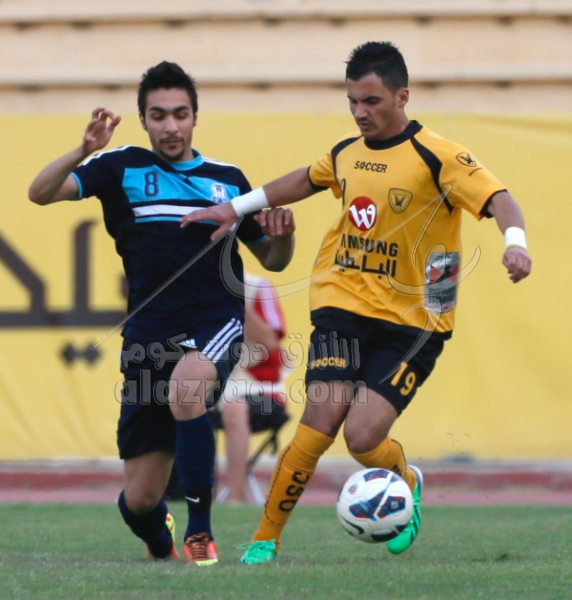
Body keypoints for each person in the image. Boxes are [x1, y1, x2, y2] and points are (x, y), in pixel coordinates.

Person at [181, 41, 532, 564]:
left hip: (416, 321)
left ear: (402, 96)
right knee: (319, 419)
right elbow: (304, 179)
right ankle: (265, 539)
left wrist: (515, 244)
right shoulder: (347, 152)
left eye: (371, 101)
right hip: (341, 303)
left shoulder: (439, 156)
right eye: (352, 101)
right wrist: (236, 207)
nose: (360, 112)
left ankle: (406, 479)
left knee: (363, 438)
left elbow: (500, 199)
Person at [28, 61, 295, 565]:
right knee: (139, 500)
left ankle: (200, 532)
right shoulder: (120, 166)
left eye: (180, 114)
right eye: (159, 116)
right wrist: (84, 150)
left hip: (216, 317)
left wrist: (284, 238)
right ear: (144, 120)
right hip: (149, 333)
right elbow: (39, 193)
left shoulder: (228, 180)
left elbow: (273, 260)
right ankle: (161, 539)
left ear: (195, 116)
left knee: (188, 387)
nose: (171, 126)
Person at [215, 272, 289, 504]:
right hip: (214, 386)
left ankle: (235, 497)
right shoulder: (190, 286)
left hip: (259, 387)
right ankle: (184, 494)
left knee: (235, 408)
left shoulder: (256, 286)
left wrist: (234, 302)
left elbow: (271, 342)